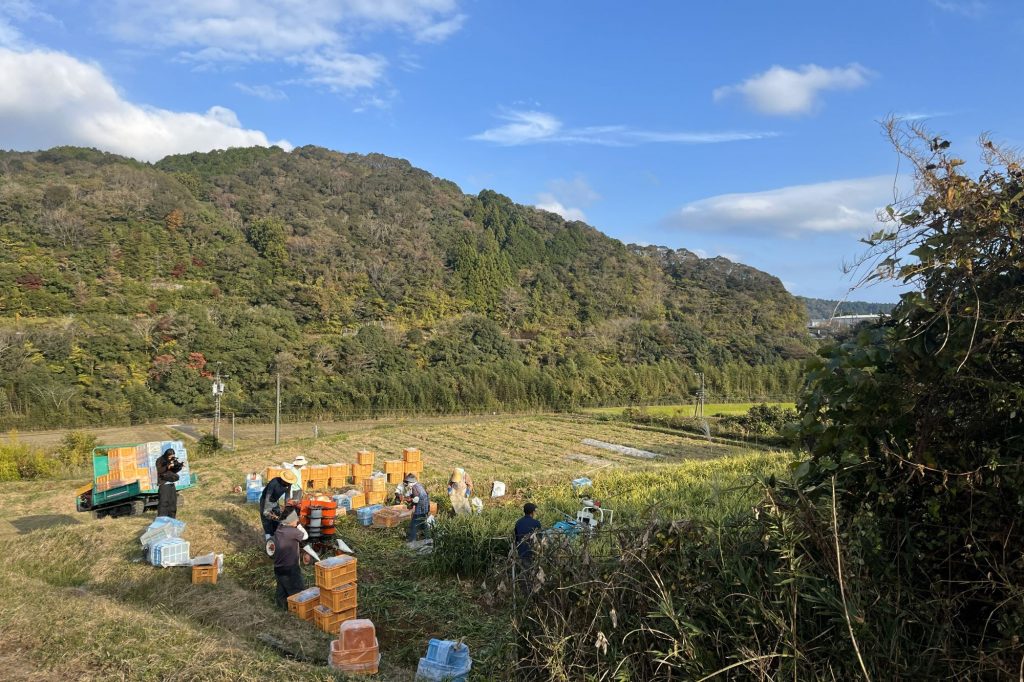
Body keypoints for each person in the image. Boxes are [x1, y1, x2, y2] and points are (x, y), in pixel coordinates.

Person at [272, 508, 307, 608]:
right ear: (291, 521)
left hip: (278, 567)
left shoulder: (279, 528)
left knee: (281, 590)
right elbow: (305, 536)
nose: (297, 520)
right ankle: (298, 611)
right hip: (290, 568)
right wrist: (299, 525)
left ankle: (281, 609)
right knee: (297, 591)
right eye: (296, 519)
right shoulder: (292, 532)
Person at [260, 469, 297, 542]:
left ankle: (276, 538)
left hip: (274, 501)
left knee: (277, 519)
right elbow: (268, 496)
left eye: (289, 483)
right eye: (287, 482)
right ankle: (269, 540)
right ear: (283, 479)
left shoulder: (288, 484)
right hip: (265, 500)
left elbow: (287, 496)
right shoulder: (274, 482)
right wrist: (267, 510)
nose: (288, 484)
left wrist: (287, 508)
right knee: (267, 519)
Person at [155, 448, 184, 518]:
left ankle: (172, 518)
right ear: (166, 455)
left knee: (173, 502)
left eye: (172, 456)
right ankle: (162, 519)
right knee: (164, 502)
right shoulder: (160, 460)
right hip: (163, 484)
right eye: (170, 456)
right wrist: (167, 467)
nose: (171, 458)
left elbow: (174, 471)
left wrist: (179, 466)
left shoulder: (173, 459)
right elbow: (159, 470)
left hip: (171, 484)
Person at [404, 474, 430, 542]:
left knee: (414, 524)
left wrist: (411, 504)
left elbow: (416, 499)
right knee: (424, 523)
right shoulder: (419, 485)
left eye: (407, 482)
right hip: (425, 508)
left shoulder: (414, 487)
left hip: (420, 509)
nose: (407, 484)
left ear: (410, 482)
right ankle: (427, 538)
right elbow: (423, 494)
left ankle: (412, 540)